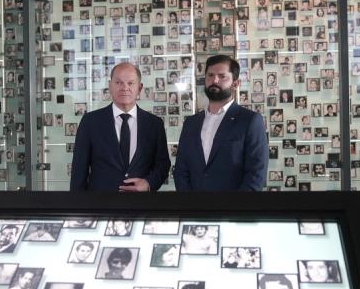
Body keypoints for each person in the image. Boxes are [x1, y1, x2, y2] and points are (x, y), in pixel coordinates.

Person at [70, 63, 170, 192]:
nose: (125, 88)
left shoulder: (154, 124)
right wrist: (78, 209)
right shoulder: (90, 121)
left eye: (131, 83)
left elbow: (163, 165)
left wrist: (148, 183)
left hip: (142, 206)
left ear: (139, 88)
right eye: (118, 83)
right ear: (110, 86)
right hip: (100, 205)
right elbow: (79, 169)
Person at [174, 55, 268, 191]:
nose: (214, 80)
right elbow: (181, 171)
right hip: (193, 209)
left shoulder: (250, 121)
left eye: (222, 76)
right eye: (210, 75)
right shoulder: (191, 123)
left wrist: (235, 210)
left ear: (235, 84)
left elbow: (256, 174)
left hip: (233, 209)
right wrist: (190, 206)